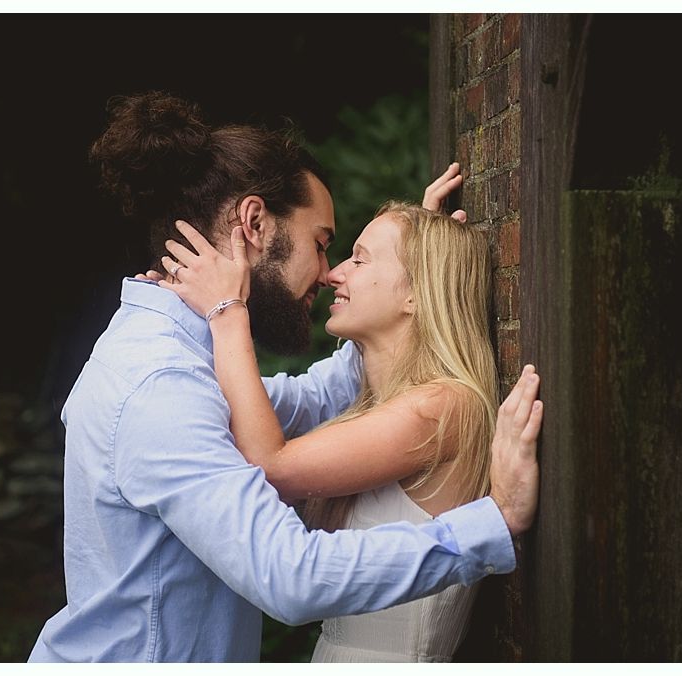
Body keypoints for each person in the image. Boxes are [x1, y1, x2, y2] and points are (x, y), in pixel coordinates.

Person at [27, 91, 541, 663]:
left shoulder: (189, 363)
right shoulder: (161, 386)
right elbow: (288, 576)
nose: (327, 273)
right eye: (321, 244)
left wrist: (415, 265)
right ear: (254, 223)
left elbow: (307, 400)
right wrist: (491, 525)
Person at [157, 199, 539, 662]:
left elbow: (269, 466)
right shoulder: (386, 405)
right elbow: (258, 414)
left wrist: (227, 311)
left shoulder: (442, 407)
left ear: (417, 292)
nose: (334, 273)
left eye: (359, 259)